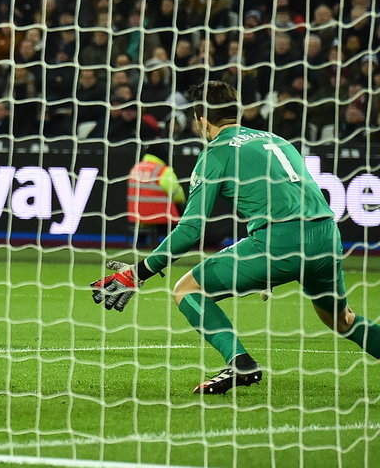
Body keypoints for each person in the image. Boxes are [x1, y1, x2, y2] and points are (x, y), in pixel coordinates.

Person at [93, 82, 380, 394]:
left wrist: (139, 272)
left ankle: (240, 363)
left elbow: (190, 230)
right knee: (342, 320)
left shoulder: (215, 154)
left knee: (186, 289)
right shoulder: (277, 140)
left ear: (200, 118)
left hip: (279, 243)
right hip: (326, 237)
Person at [127, 145, 186, 248]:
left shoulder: (136, 168)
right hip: (161, 218)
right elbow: (178, 196)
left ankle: (139, 242)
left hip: (136, 216)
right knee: (182, 209)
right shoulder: (163, 171)